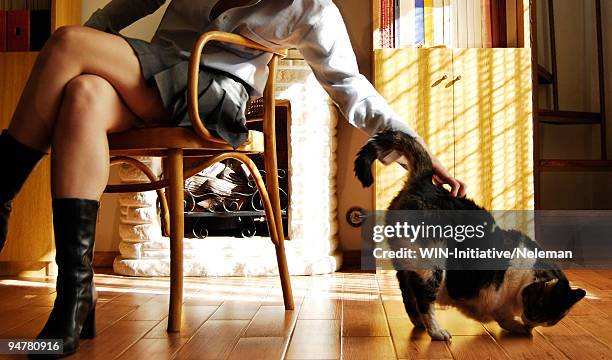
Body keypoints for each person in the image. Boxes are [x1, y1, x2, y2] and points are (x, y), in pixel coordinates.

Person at [0, 0, 465, 356]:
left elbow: (350, 85)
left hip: (212, 95)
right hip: (150, 77)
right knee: (81, 92)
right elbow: (130, 5)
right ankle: (75, 301)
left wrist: (414, 150)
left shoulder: (310, 7)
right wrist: (88, 57)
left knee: (65, 42)